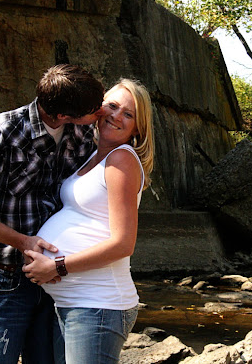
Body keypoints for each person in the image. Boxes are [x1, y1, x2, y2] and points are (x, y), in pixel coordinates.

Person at [0, 64, 105, 364]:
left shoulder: (82, 130)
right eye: (94, 110)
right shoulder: (3, 132)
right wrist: (22, 242)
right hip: (7, 279)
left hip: (58, 281)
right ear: (62, 115)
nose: (101, 112)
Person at [22, 78, 155, 364]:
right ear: (98, 108)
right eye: (112, 106)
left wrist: (57, 266)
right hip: (74, 303)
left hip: (99, 304)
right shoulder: (94, 155)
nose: (116, 116)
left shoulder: (122, 159)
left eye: (128, 114)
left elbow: (123, 244)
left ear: (137, 128)